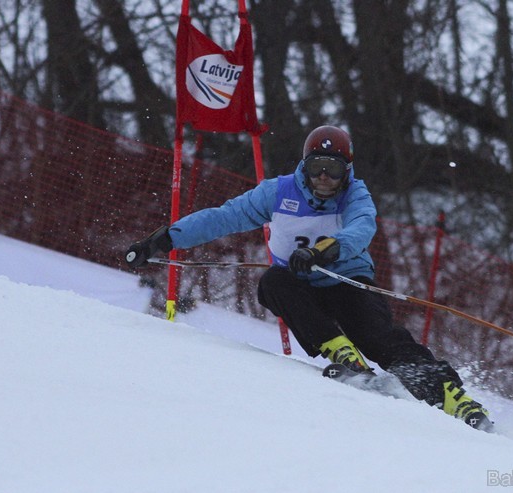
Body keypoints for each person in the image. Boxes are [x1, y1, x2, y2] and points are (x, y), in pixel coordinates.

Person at [125, 125, 493, 432]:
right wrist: (166, 238)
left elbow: (362, 228)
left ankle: (451, 398)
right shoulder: (278, 191)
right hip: (300, 285)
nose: (323, 178)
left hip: (347, 281)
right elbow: (225, 217)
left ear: (346, 171)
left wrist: (324, 251)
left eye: (333, 170)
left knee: (380, 338)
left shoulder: (355, 194)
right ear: (304, 164)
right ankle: (343, 356)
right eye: (317, 166)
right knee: (273, 283)